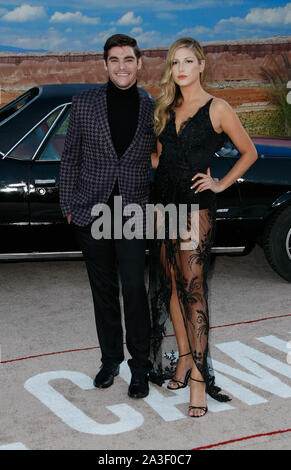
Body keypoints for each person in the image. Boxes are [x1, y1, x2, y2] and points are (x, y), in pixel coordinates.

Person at [149, 37, 258, 417]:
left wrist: (221, 183)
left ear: (201, 65)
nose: (180, 68)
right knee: (170, 286)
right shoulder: (165, 106)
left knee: (193, 290)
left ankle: (198, 376)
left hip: (196, 210)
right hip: (162, 207)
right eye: (175, 62)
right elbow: (160, 158)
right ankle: (181, 357)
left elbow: (250, 152)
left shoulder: (218, 108)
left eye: (188, 61)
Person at [59, 34, 156, 399]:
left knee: (133, 288)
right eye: (114, 59)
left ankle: (140, 367)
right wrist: (68, 208)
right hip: (91, 210)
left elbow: (163, 155)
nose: (121, 66)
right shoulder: (84, 104)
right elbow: (70, 158)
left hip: (132, 210)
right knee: (103, 292)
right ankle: (111, 359)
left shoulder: (151, 108)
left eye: (128, 59)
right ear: (105, 64)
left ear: (139, 63)